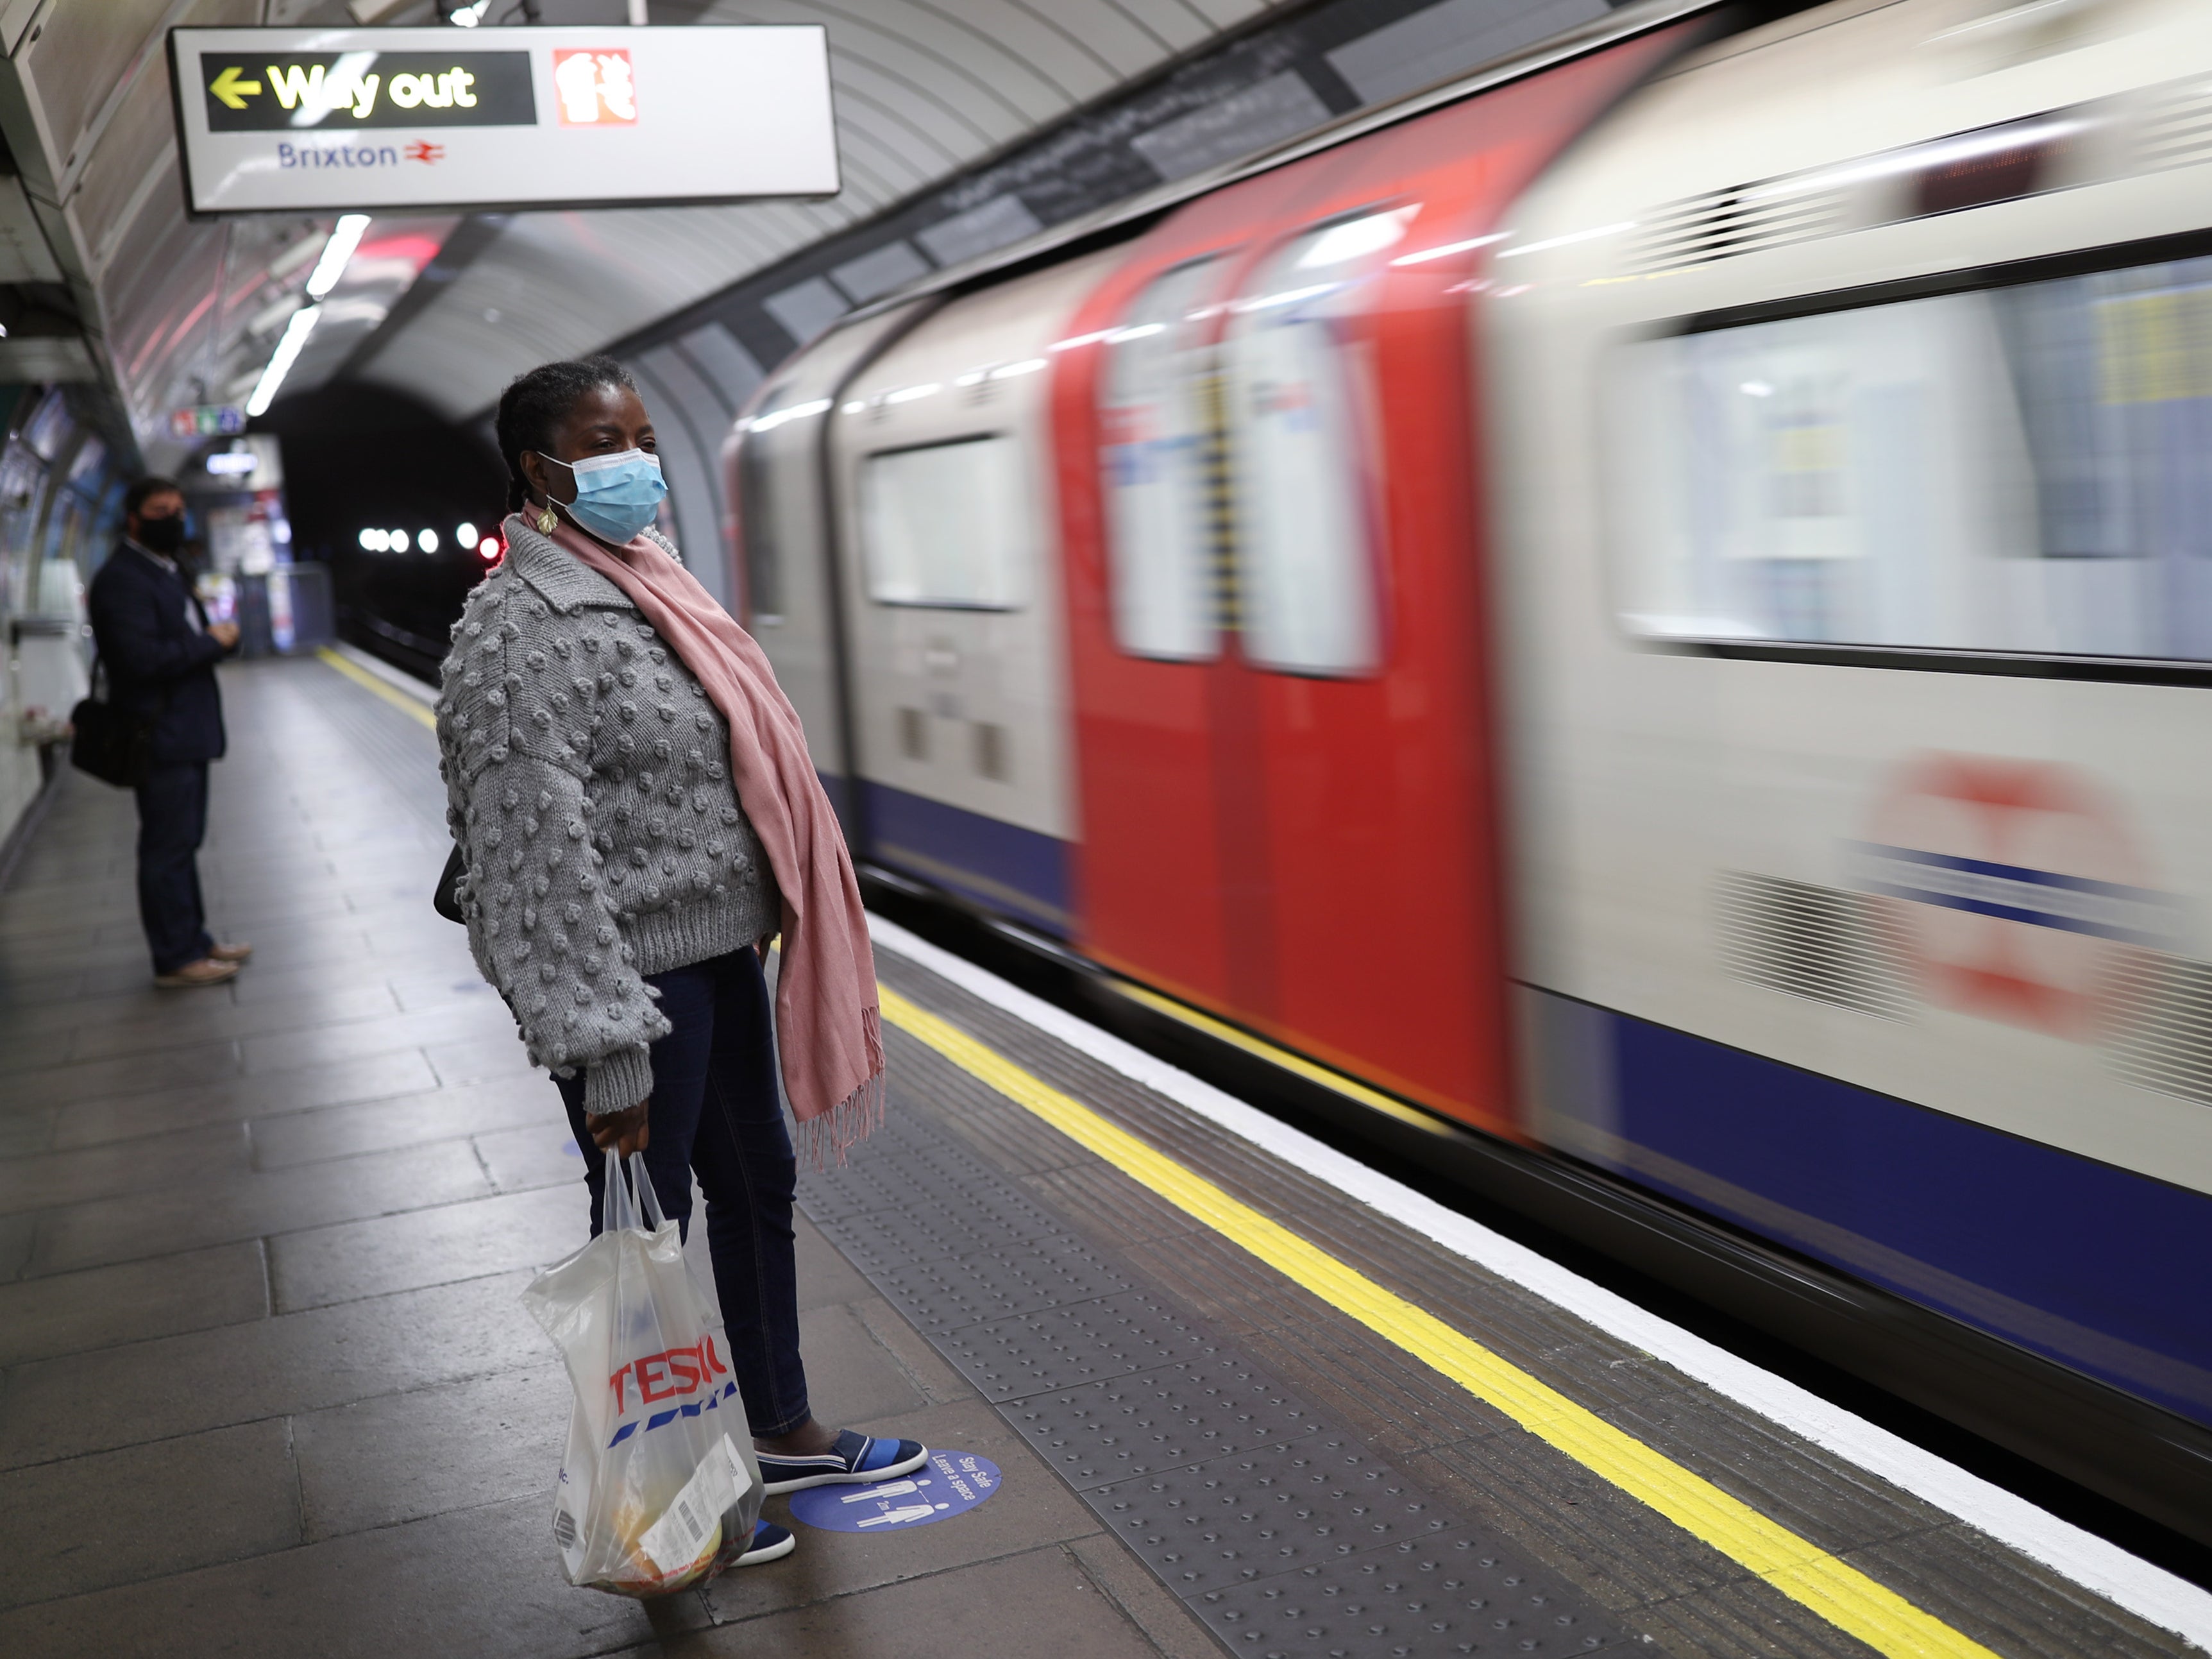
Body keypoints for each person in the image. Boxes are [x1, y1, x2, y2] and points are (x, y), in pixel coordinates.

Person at [435, 359, 909, 1573]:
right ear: (542, 471)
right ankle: (665, 1498)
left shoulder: (652, 581)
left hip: (719, 960)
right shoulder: (517, 631)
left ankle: (782, 1424)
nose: (639, 460)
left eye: (647, 434)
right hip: (632, 992)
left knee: (758, 1189)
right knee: (646, 1236)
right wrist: (603, 1048)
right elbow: (530, 858)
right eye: (609, 441)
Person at [87, 476, 249, 988]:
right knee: (166, 848)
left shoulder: (168, 568)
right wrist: (210, 642)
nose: (174, 518)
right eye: (161, 509)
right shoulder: (122, 580)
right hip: (158, 733)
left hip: (185, 729)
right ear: (133, 518)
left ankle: (194, 940)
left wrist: (218, 641)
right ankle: (175, 957)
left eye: (179, 508)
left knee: (184, 842)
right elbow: (139, 661)